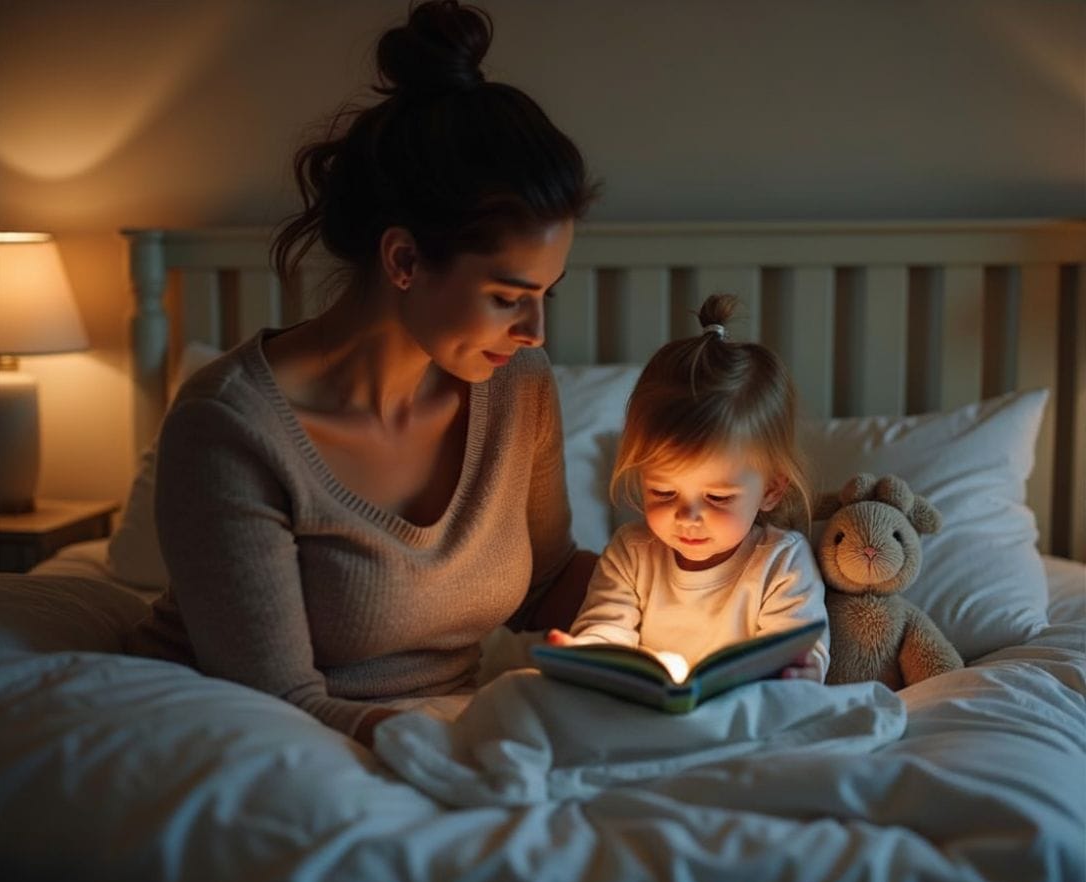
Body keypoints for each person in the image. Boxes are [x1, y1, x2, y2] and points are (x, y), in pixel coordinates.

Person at [126, 0, 600, 748]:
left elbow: (545, 583)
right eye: (508, 297)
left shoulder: (518, 385)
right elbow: (279, 699)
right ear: (404, 260)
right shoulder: (229, 428)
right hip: (249, 738)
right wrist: (471, 745)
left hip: (436, 725)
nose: (535, 332)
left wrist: (704, 588)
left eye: (546, 293)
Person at [547, 295, 829, 682]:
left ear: (771, 489)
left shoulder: (779, 561)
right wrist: (587, 654)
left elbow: (799, 649)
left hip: (748, 714)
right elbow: (606, 628)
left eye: (718, 497)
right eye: (663, 492)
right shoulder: (631, 554)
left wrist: (801, 671)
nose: (688, 516)